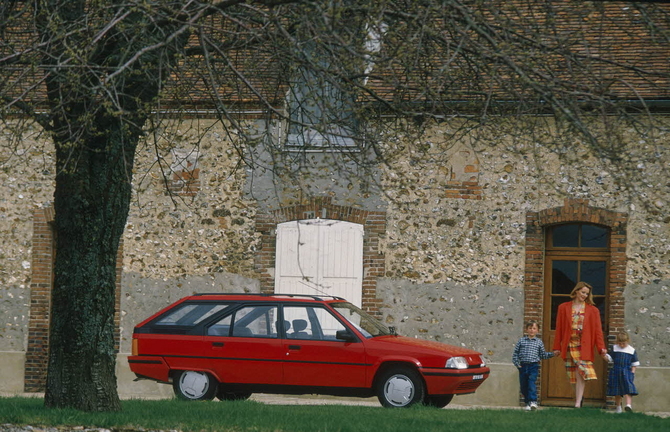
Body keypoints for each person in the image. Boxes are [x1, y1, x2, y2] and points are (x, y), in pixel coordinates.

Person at [552, 281, 608, 407]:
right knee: (572, 374)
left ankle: (577, 403)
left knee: (582, 372)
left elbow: (598, 331)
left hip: (584, 346)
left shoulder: (593, 310)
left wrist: (601, 348)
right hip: (569, 345)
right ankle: (579, 397)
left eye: (587, 294)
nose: (584, 295)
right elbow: (559, 329)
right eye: (583, 292)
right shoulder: (563, 307)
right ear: (576, 291)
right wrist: (557, 347)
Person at [512, 320, 556, 410]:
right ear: (527, 330)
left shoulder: (539, 342)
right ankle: (528, 402)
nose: (532, 330)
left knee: (531, 383)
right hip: (523, 366)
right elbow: (515, 354)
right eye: (530, 328)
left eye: (534, 328)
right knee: (524, 386)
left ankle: (533, 402)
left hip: (533, 366)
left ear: (537, 331)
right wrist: (517, 364)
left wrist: (552, 354)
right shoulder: (521, 341)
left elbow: (543, 354)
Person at [607, 331, 639, 413]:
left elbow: (634, 363)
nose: (621, 345)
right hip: (616, 370)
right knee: (617, 389)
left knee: (628, 388)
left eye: (623, 343)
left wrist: (632, 373)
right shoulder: (614, 348)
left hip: (627, 371)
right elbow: (610, 359)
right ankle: (618, 407)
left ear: (627, 341)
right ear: (617, 342)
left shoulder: (631, 350)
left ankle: (628, 405)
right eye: (619, 343)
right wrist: (604, 355)